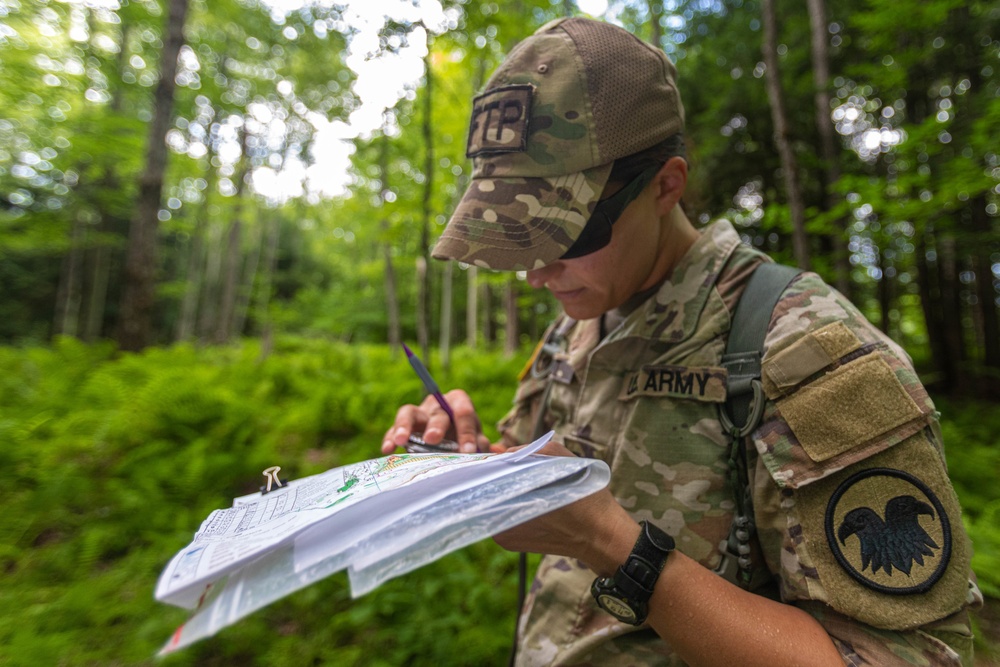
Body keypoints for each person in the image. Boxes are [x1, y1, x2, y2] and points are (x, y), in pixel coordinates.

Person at [382, 17, 981, 666]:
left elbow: (910, 655)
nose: (535, 273)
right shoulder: (579, 324)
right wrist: (468, 458)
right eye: (516, 239)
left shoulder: (804, 355)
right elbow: (548, 480)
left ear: (666, 185)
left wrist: (618, 547)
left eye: (564, 236)